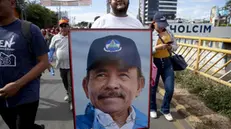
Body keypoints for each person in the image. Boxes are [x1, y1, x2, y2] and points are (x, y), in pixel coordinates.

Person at [76, 35, 148, 129]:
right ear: (86, 86)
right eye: (101, 75)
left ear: (139, 86)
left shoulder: (147, 124)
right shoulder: (77, 125)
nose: (111, 84)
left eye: (123, 75)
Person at [0, 0, 49, 128]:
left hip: (26, 95)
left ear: (12, 3)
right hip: (2, 96)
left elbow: (44, 62)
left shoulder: (29, 29)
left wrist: (17, 85)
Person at [150, 12, 178, 121]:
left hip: (167, 62)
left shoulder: (169, 32)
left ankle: (165, 109)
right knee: (153, 88)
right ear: (154, 22)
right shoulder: (149, 33)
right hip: (154, 62)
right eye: (160, 24)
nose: (162, 26)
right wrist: (157, 48)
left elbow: (176, 46)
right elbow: (146, 50)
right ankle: (152, 108)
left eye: (164, 24)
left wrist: (170, 47)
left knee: (170, 88)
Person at [48, 18, 73, 110]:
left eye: (65, 26)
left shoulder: (72, 36)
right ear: (59, 28)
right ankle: (68, 93)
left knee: (71, 83)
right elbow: (51, 49)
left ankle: (71, 102)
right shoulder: (55, 37)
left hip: (71, 65)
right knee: (65, 82)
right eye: (61, 26)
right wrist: (49, 59)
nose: (63, 28)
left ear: (68, 26)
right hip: (61, 65)